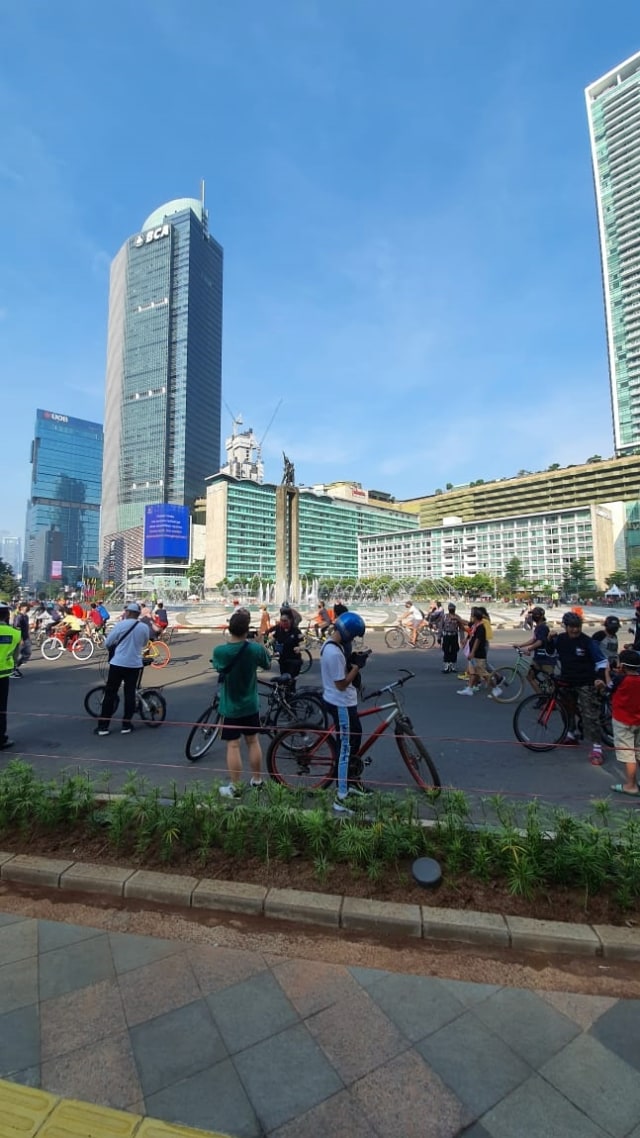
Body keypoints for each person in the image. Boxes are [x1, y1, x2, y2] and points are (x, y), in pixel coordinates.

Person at [212, 608, 271, 798]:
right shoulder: (254, 649)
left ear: (229, 629)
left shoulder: (220, 651)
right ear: (247, 630)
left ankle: (236, 787)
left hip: (231, 706)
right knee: (253, 741)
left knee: (233, 745)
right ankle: (257, 780)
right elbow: (267, 664)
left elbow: (218, 666)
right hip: (250, 704)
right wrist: (261, 644)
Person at [320, 611, 370, 812]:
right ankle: (341, 796)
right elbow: (341, 684)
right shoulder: (333, 652)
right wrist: (356, 668)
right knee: (345, 749)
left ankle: (350, 783)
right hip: (340, 702)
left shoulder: (335, 646)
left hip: (346, 702)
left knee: (354, 739)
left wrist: (353, 660)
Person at [547, 611, 609, 764]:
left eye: (577, 627)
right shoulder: (560, 639)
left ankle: (596, 748)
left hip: (586, 683)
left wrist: (599, 679)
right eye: (571, 627)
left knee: (589, 715)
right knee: (566, 710)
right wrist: (549, 640)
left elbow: (601, 662)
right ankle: (571, 735)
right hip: (567, 681)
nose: (575, 630)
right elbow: (550, 652)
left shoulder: (588, 642)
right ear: (565, 627)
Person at [96, 602, 150, 736]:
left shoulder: (120, 625)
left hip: (118, 663)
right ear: (138, 614)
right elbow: (144, 643)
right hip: (134, 664)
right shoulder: (143, 627)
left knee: (110, 694)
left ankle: (103, 727)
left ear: (128, 613)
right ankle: (126, 725)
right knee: (129, 694)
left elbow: (107, 643)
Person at [609, 649, 640, 796]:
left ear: (623, 666)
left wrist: (605, 676)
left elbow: (608, 689)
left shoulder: (619, 679)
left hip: (623, 721)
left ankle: (631, 785)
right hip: (638, 720)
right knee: (638, 751)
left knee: (629, 754)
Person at [512, 606, 557, 694]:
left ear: (540, 616)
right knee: (530, 676)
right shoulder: (538, 627)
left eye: (534, 614)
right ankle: (541, 697)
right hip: (538, 658)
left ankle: (552, 701)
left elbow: (539, 642)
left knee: (550, 682)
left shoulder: (543, 627)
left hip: (546, 659)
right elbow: (534, 640)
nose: (532, 616)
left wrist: (528, 649)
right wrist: (520, 645)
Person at [0, 604, 21, 750]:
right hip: (3, 675)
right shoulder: (14, 633)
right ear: (7, 616)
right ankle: (1, 739)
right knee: (1, 709)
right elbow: (16, 655)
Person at [458, 608, 488, 695]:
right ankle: (470, 688)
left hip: (478, 653)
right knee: (473, 672)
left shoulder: (480, 627)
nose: (471, 617)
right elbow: (470, 632)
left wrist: (472, 652)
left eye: (472, 615)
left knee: (483, 673)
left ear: (475, 617)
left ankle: (495, 686)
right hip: (475, 653)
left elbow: (477, 641)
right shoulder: (475, 625)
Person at [269, 611, 303, 684]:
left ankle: (292, 693)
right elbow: (273, 639)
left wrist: (299, 648)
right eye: (281, 620)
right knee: (283, 682)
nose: (283, 623)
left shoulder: (296, 631)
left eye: (285, 621)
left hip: (293, 661)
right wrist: (267, 644)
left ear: (290, 620)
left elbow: (303, 644)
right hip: (283, 660)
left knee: (291, 683)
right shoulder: (279, 629)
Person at [441, 603, 465, 673]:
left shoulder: (457, 617)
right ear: (448, 609)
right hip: (446, 636)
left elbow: (461, 629)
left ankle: (453, 665)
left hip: (454, 636)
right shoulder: (444, 617)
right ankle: (446, 666)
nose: (451, 609)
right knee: (446, 650)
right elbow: (440, 627)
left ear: (455, 609)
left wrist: (462, 639)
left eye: (452, 608)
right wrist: (439, 637)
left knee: (454, 650)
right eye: (450, 608)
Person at [11, 602, 31, 678]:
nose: (28, 608)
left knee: (27, 653)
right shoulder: (19, 616)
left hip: (26, 637)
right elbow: (16, 627)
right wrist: (20, 638)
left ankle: (16, 667)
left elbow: (26, 627)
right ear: (22, 607)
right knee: (16, 655)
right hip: (20, 638)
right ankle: (13, 670)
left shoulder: (26, 616)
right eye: (26, 606)